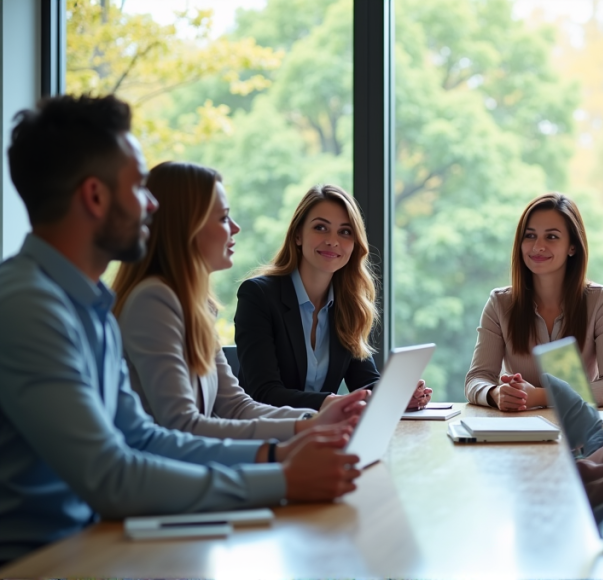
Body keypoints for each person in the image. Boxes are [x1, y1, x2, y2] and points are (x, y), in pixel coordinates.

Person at [0, 95, 360, 565]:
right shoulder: (29, 306)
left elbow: (145, 438)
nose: (152, 205)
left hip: (96, 544)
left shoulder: (90, 305)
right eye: (138, 187)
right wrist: (283, 474)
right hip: (46, 560)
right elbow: (111, 476)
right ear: (94, 196)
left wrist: (281, 454)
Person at [113, 161, 369, 440]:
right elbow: (184, 426)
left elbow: (236, 406)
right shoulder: (154, 301)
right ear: (186, 226)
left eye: (345, 232)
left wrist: (313, 420)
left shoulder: (195, 305)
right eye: (223, 218)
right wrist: (293, 439)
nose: (235, 228)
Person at [234, 184, 430, 412]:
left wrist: (397, 394)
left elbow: (365, 382)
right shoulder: (258, 295)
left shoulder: (349, 303)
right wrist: (333, 403)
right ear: (297, 235)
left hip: (324, 435)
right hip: (268, 436)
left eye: (345, 232)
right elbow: (264, 393)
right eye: (320, 228)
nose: (333, 241)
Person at [465, 193, 603, 410]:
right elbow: (477, 378)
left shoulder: (601, 300)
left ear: (572, 247)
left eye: (551, 237)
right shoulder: (499, 303)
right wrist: (495, 393)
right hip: (518, 432)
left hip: (578, 433)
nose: (537, 247)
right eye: (530, 236)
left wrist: (540, 396)